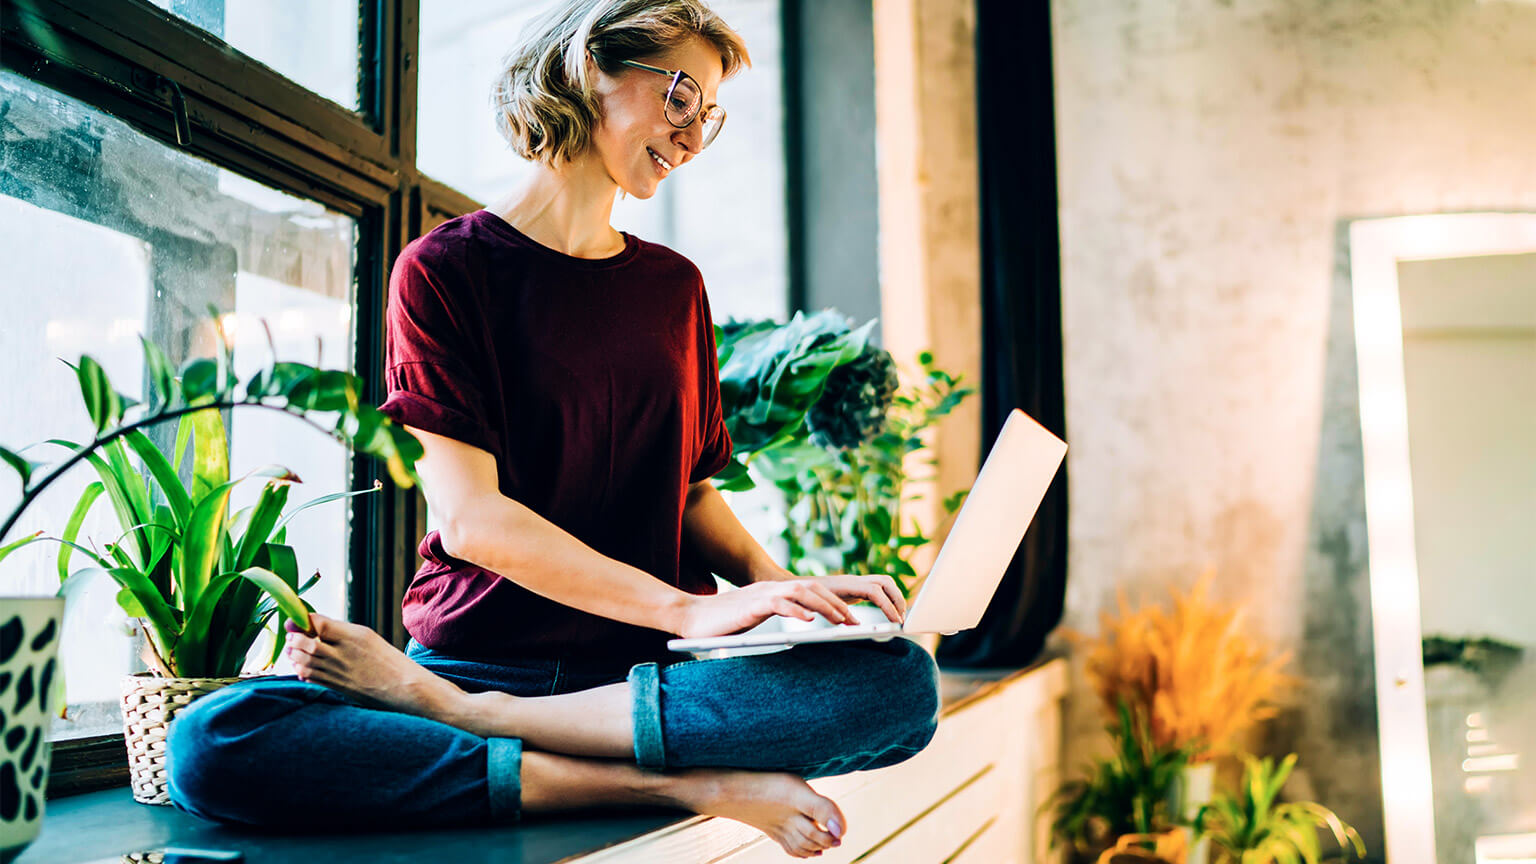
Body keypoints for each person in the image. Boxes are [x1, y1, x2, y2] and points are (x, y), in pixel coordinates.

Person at [165, 1, 939, 857]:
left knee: (899, 686)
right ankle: (664, 779)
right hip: (481, 657)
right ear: (588, 70)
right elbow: (473, 522)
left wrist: (784, 596)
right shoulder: (443, 273)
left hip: (645, 680)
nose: (691, 137)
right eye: (681, 98)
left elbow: (687, 490)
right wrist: (683, 608)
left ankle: (472, 728)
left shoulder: (675, 289)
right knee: (213, 744)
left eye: (708, 117)